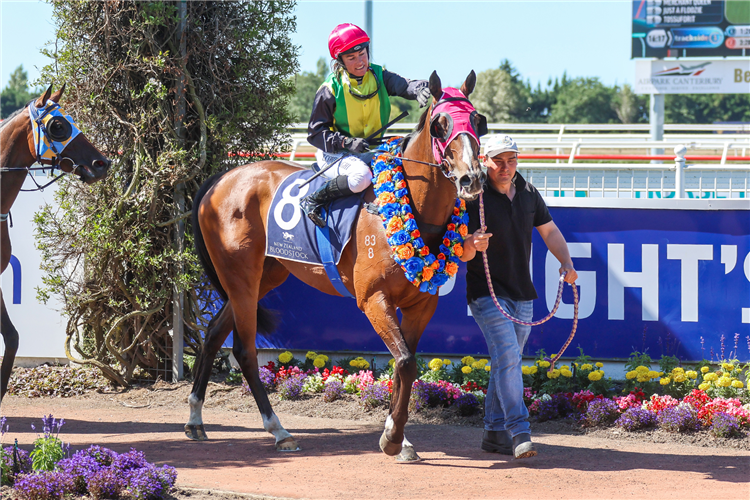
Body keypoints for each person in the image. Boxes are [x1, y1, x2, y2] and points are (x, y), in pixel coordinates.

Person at [460, 134, 578, 459]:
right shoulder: (472, 195)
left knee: (505, 361)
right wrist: (472, 244)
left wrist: (566, 262)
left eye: (511, 160)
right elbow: (459, 250)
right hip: (486, 293)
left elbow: (550, 231)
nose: (506, 167)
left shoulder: (527, 192)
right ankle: (520, 431)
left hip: (522, 292)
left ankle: (493, 431)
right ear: (485, 161)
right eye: (499, 161)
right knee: (510, 357)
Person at [301, 23, 432, 227]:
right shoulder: (329, 89)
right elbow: (315, 133)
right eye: (351, 58)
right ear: (341, 61)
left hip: (369, 150)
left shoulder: (380, 76)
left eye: (362, 54)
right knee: (361, 177)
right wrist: (346, 142)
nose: (360, 62)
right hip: (335, 153)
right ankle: (313, 199)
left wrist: (419, 89)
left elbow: (404, 85)